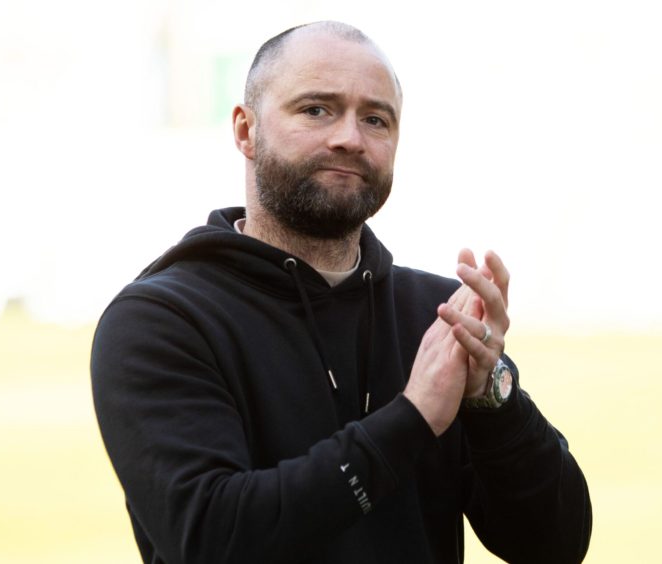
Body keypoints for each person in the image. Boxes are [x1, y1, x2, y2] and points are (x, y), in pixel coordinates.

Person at [91, 21, 592, 564]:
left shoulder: (436, 317)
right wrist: (412, 418)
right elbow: (212, 537)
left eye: (375, 119)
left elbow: (554, 545)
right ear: (245, 130)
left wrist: (493, 399)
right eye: (316, 110)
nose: (349, 138)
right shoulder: (161, 320)